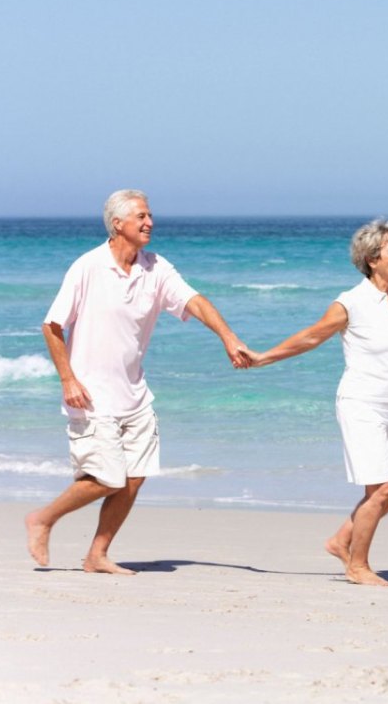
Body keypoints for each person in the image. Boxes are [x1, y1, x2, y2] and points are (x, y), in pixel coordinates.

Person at [25, 189, 251, 574]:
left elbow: (193, 300)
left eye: (150, 215)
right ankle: (43, 519)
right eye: (141, 216)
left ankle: (96, 555)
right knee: (105, 479)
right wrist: (68, 379)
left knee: (134, 476)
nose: (150, 222)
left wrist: (228, 337)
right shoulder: (88, 267)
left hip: (135, 395)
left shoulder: (155, 267)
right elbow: (52, 325)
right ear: (118, 224)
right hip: (92, 397)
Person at [243, 218, 388, 587]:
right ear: (372, 259)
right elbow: (311, 338)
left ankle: (341, 540)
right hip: (361, 405)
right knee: (378, 491)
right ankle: (357, 566)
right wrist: (263, 357)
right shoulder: (351, 303)